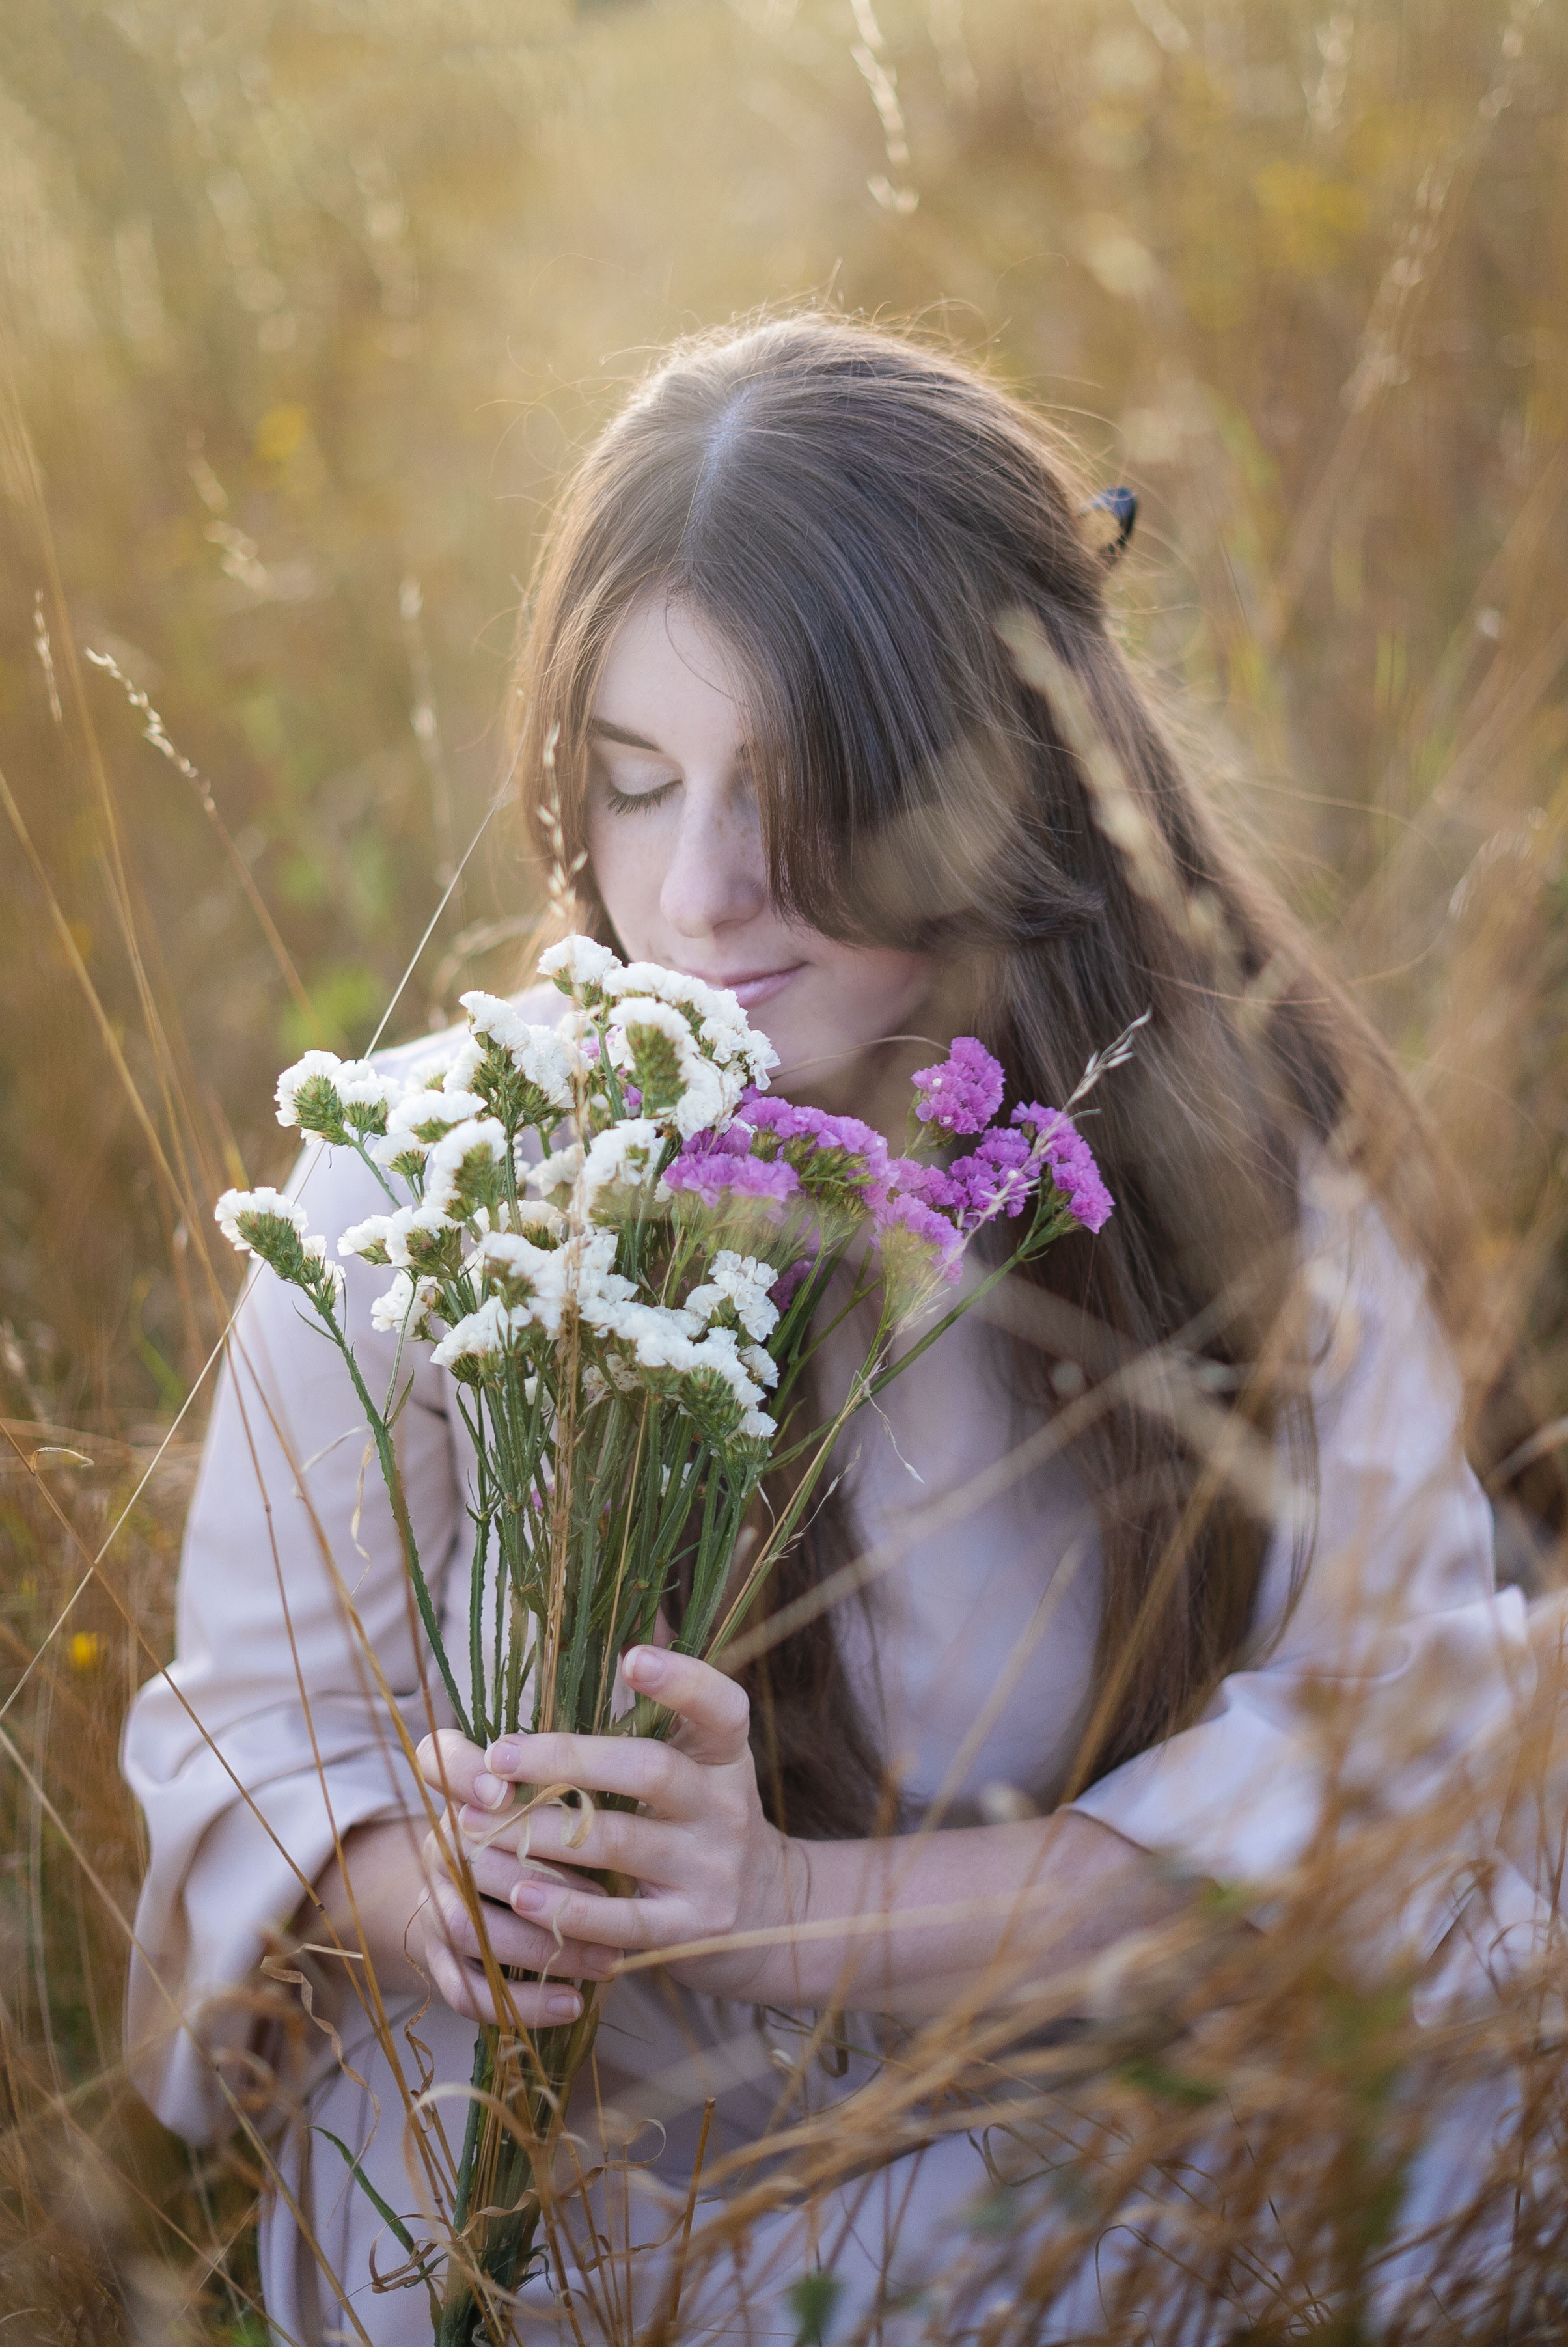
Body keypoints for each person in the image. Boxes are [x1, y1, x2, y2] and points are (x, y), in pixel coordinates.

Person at [122, 314, 1560, 2344]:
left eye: (795, 794)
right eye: (631, 787)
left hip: (1079, 2082)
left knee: (1467, 2126)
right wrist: (434, 1885)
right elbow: (252, 1747)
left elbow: (1396, 1781)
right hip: (593, 2153)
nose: (696, 895)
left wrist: (794, 1913)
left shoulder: (1230, 1191)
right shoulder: (427, 1196)